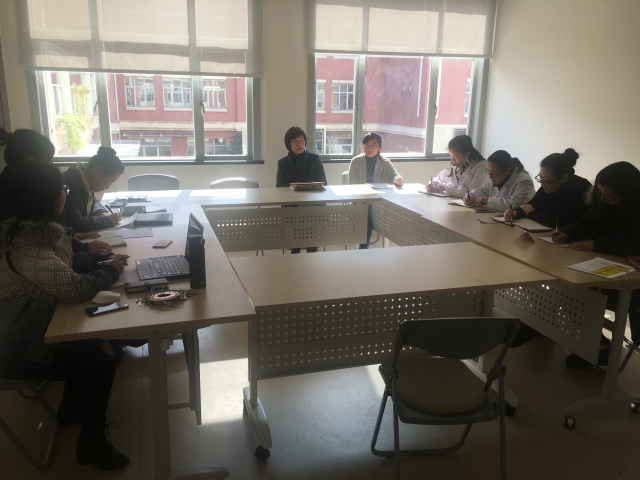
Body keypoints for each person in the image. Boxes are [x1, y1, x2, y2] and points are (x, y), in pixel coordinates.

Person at [0, 162, 130, 470]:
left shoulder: (32, 235)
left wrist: (99, 261)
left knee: (89, 341)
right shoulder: (25, 248)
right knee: (99, 363)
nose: (66, 194)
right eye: (62, 189)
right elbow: (73, 289)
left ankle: (70, 409)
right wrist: (110, 271)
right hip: (16, 348)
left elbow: (64, 266)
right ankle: (92, 444)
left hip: (33, 329)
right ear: (43, 198)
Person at [551, 161, 640, 368]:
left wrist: (598, 245)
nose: (602, 199)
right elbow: (588, 222)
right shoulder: (603, 201)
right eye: (600, 193)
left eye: (609, 196)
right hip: (600, 267)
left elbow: (636, 245)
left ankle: (594, 349)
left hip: (629, 281)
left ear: (628, 195)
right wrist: (567, 232)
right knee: (566, 284)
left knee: (577, 293)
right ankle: (592, 346)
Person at [0, 128, 112, 254]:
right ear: (31, 161)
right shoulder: (17, 193)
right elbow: (32, 241)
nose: (51, 166)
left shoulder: (19, 184)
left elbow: (45, 225)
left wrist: (69, 236)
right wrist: (81, 248)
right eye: (49, 161)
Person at [504, 148, 591, 228]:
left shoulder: (580, 187)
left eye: (546, 180)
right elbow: (530, 205)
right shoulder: (547, 184)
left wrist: (532, 213)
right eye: (540, 178)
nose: (542, 183)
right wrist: (515, 212)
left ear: (564, 178)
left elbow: (559, 221)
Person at [276, 127, 327, 254]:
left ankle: (297, 247)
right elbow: (279, 186)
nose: (299, 144)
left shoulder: (314, 159)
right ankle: (310, 247)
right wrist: (294, 187)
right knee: (303, 210)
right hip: (292, 205)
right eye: (295, 141)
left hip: (313, 203)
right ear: (288, 144)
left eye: (301, 140)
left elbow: (323, 182)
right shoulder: (283, 163)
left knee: (306, 208)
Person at [348, 133, 403, 249]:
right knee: (367, 213)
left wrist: (398, 179)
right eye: (367, 145)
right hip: (359, 202)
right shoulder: (356, 161)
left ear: (379, 148)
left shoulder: (385, 162)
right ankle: (364, 247)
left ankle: (364, 248)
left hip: (379, 203)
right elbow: (352, 185)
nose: (370, 148)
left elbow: (395, 175)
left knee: (370, 213)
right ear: (363, 147)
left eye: (374, 145)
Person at [61, 146, 125, 233]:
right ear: (100, 170)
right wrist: (108, 220)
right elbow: (75, 223)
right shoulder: (68, 186)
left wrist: (101, 212)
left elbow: (91, 200)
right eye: (111, 181)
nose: (108, 187)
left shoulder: (83, 179)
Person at [465, 150, 535, 212]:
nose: (490, 177)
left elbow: (514, 205)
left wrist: (488, 202)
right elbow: (482, 191)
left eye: (493, 173)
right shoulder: (495, 176)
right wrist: (471, 196)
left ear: (507, 171)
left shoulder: (524, 181)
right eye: (488, 172)